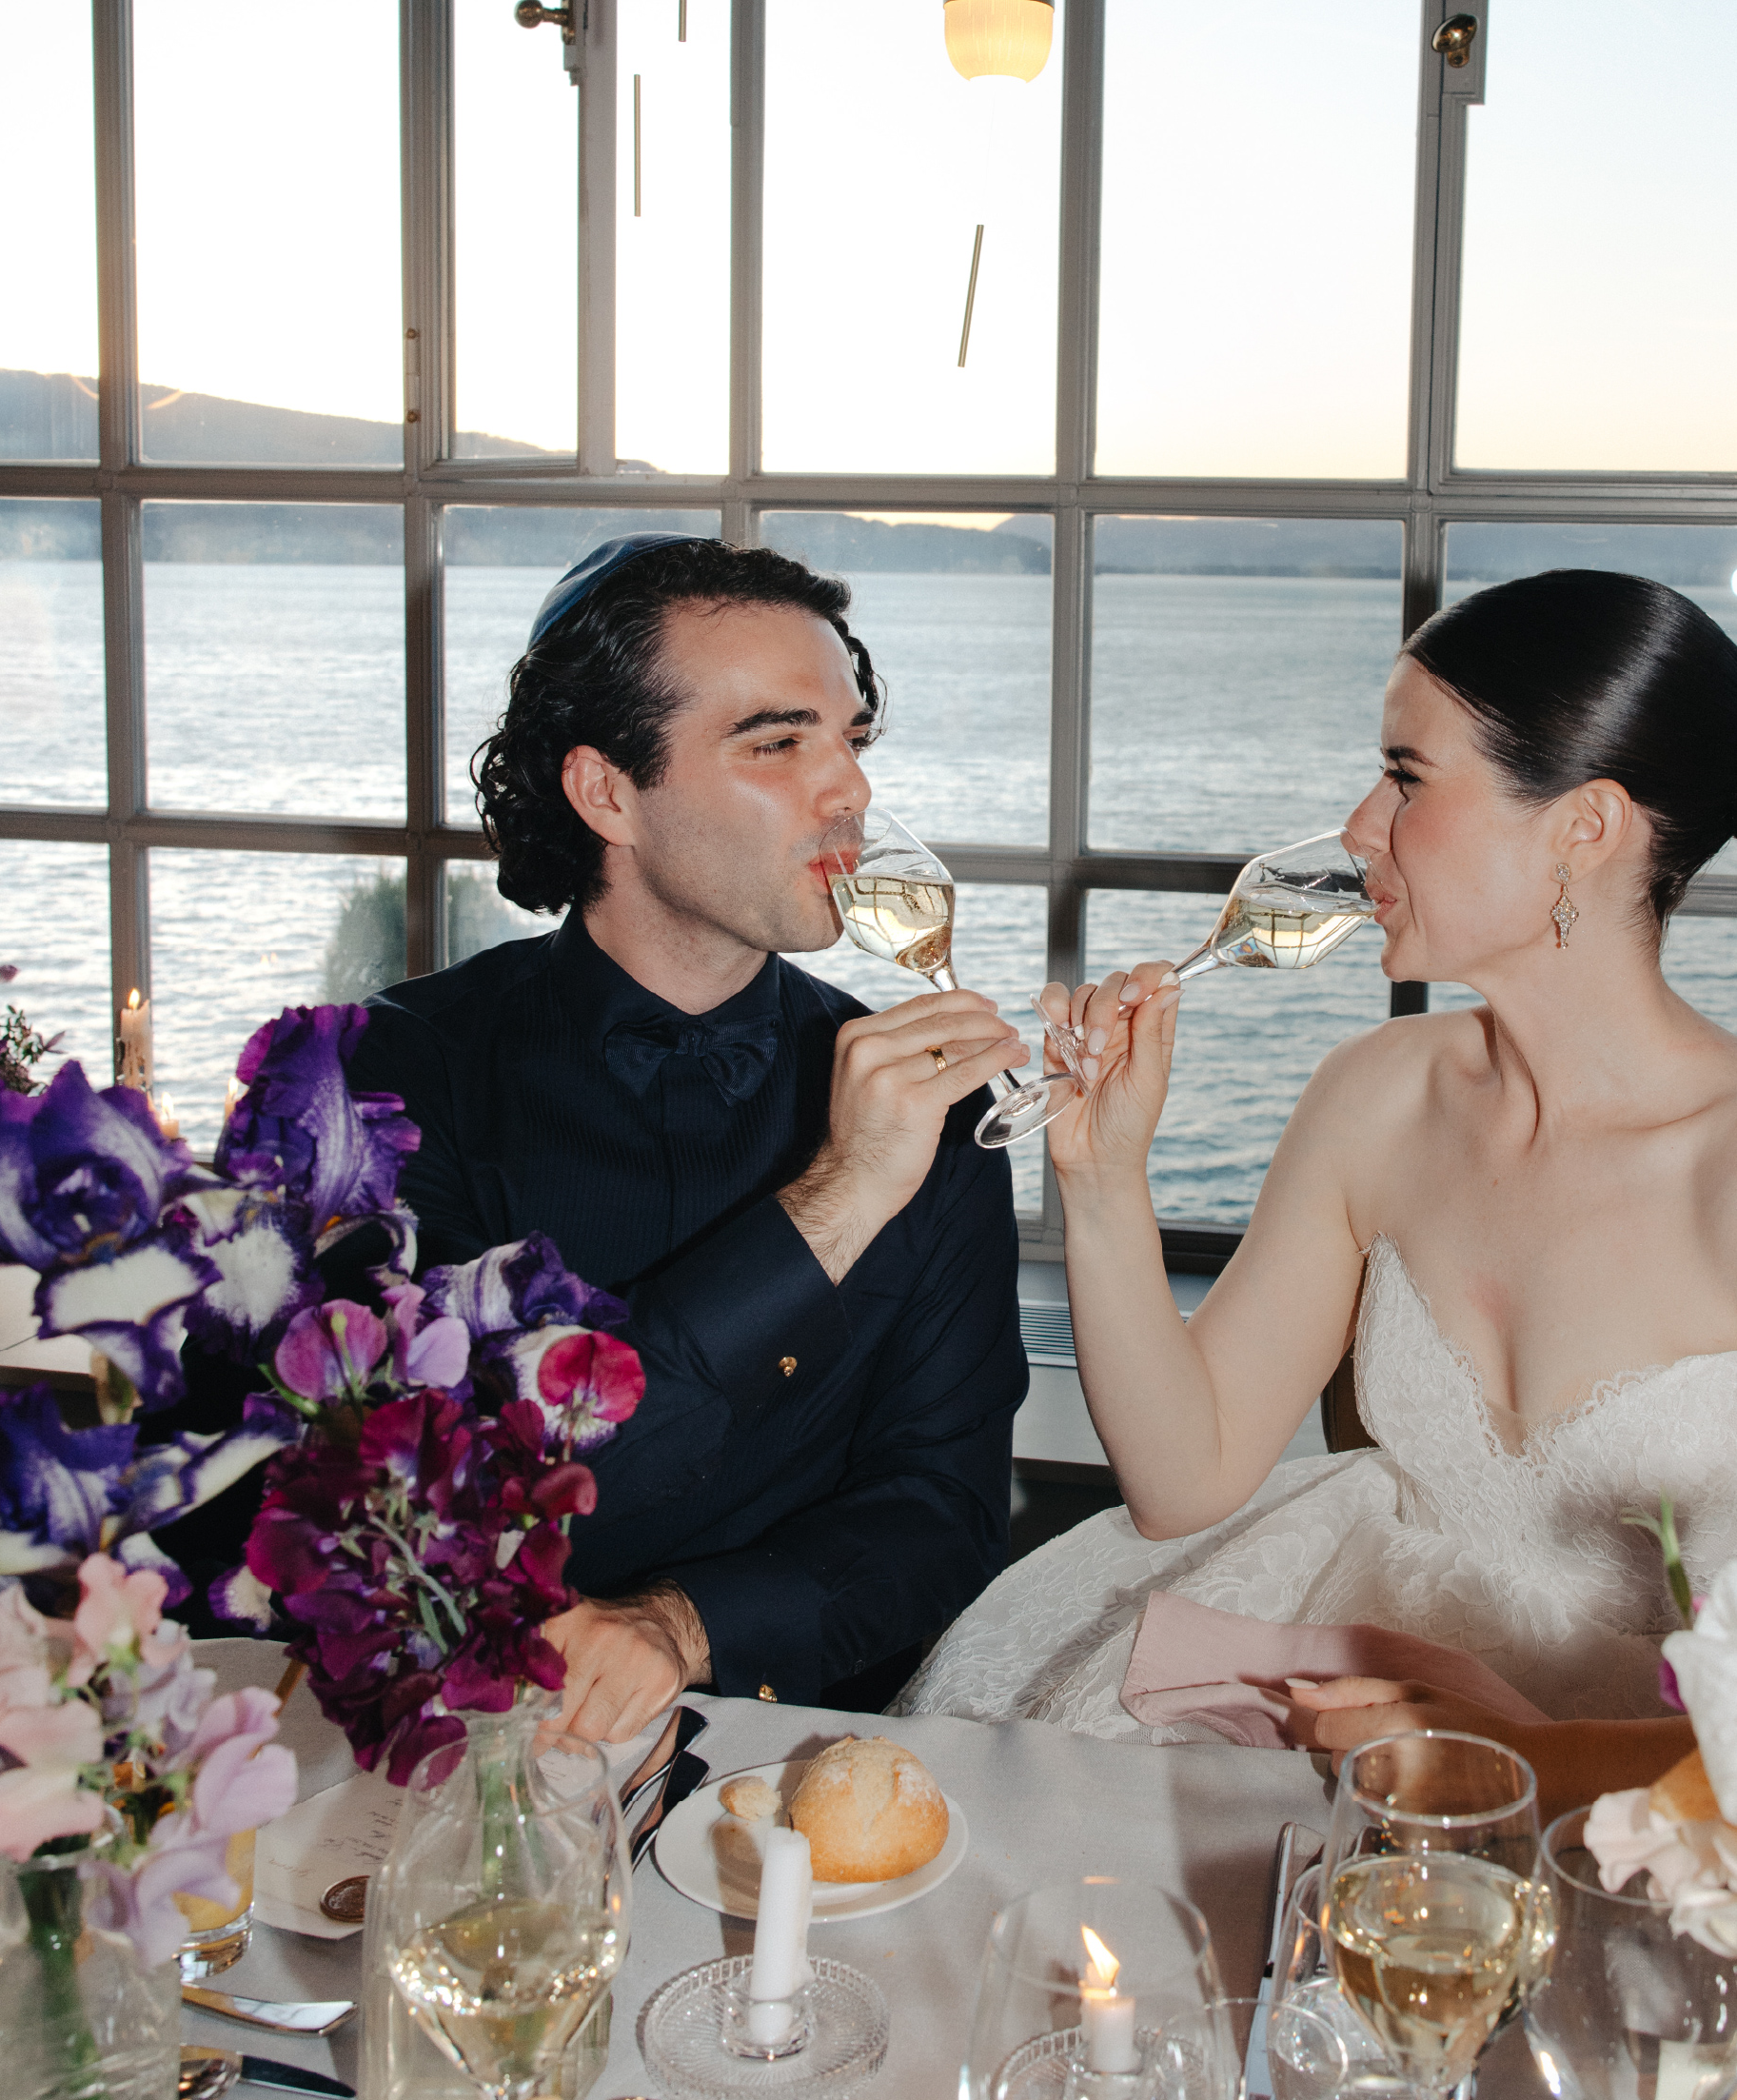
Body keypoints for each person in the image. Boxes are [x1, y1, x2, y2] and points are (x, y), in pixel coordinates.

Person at [898, 569, 1737, 1816]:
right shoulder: (1376, 1093)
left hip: (1649, 1805)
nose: (1355, 827)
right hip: (1351, 1705)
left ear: (1584, 825)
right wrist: (1102, 1175)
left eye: (1405, 778)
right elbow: (1184, 1479)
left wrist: (1480, 1763)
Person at [349, 535, 1029, 1743]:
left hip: (800, 1766)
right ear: (608, 792)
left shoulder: (933, 1102)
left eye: (852, 739)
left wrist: (682, 1625)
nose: (852, 791)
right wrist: (836, 1199)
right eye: (777, 742)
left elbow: (947, 1512)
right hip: (461, 1738)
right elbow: (445, 1497)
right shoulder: (391, 1075)